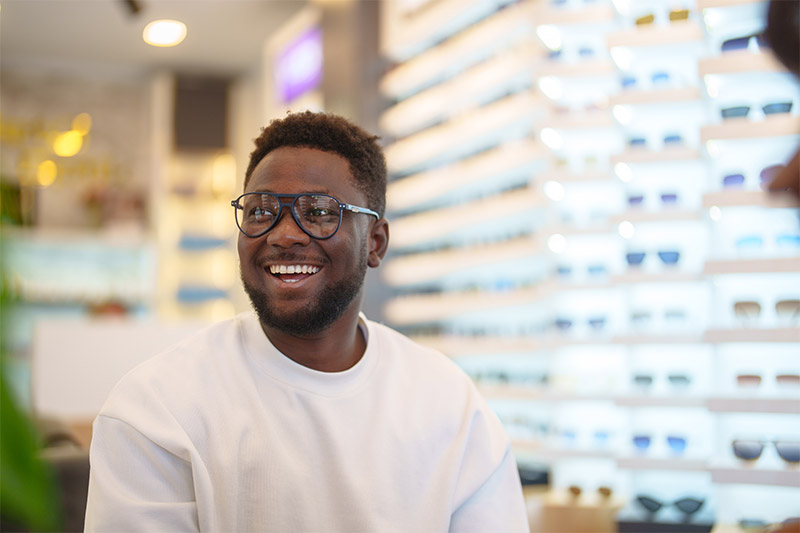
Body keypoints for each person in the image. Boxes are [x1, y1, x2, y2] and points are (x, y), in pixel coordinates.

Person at [84, 111, 529, 532]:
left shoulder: (450, 407)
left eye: (318, 212)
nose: (283, 234)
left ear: (375, 242)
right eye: (260, 211)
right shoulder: (158, 409)